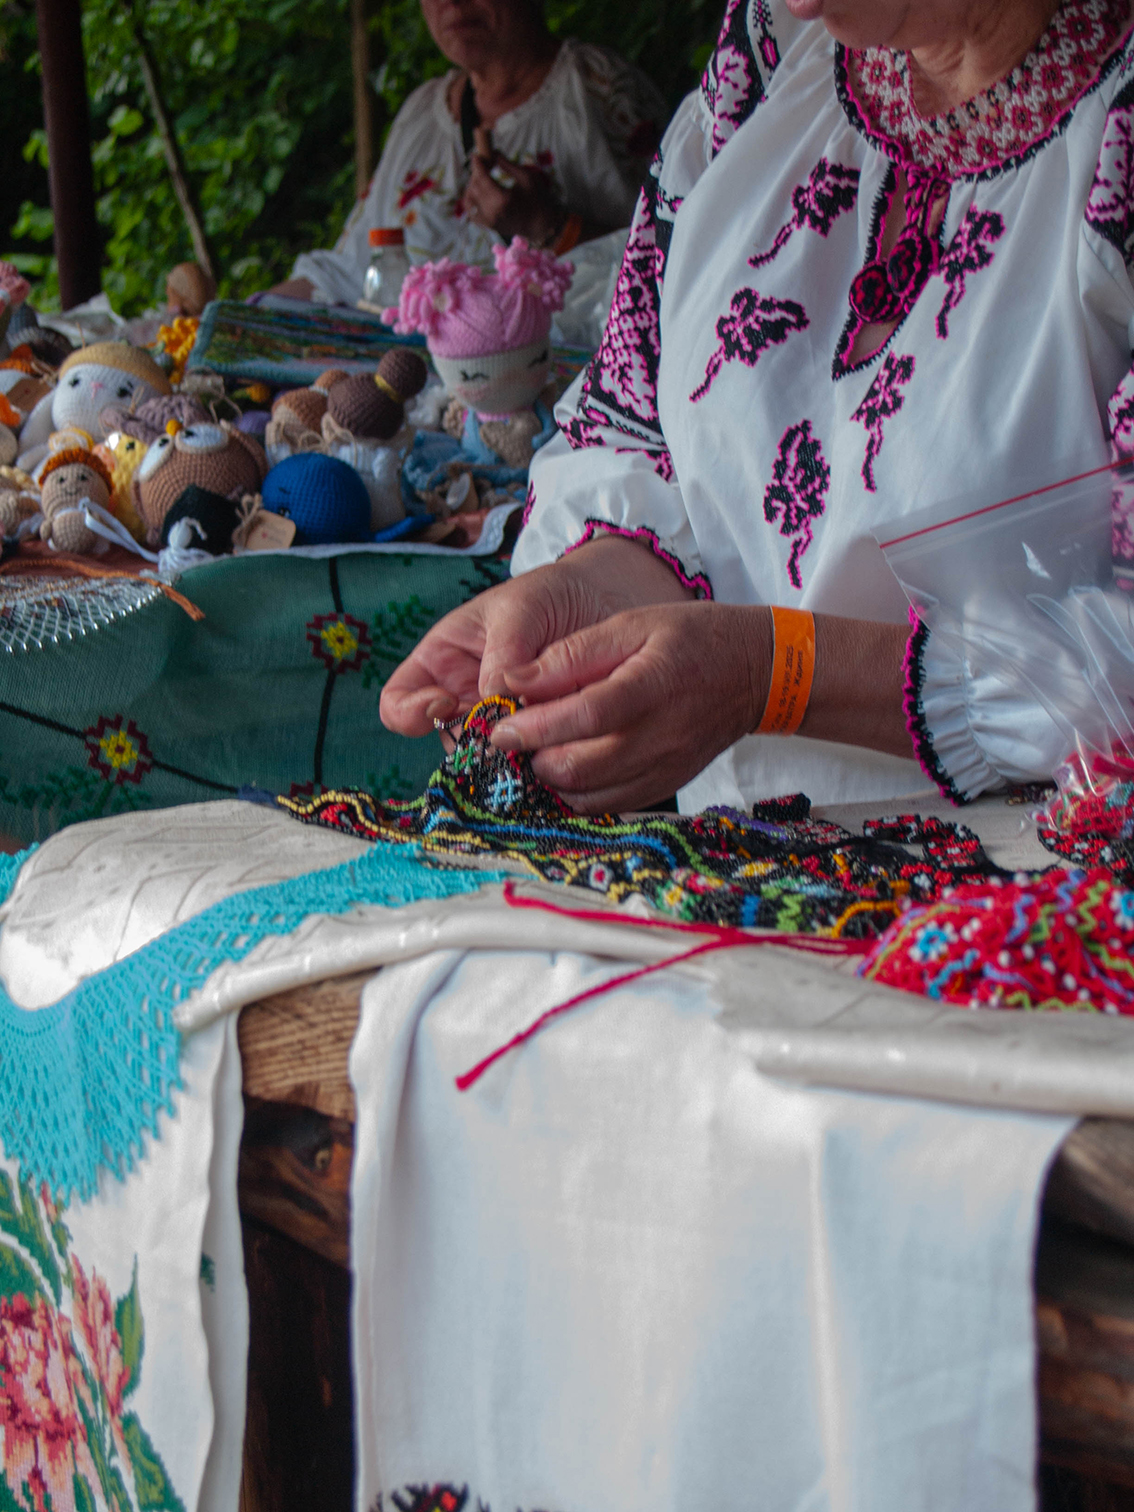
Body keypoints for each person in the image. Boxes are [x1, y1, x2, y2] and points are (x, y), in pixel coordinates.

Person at [380, 0, 1134, 815]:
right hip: (727, 855)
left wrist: (775, 674)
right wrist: (594, 583)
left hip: (1035, 872)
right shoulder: (771, 56)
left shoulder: (1114, 140)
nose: (801, 0)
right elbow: (637, 424)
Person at [279, 0, 666, 305]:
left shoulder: (599, 92)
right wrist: (254, 315)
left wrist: (548, 226)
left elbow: (672, 262)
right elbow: (350, 269)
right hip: (407, 377)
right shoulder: (422, 115)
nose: (452, 2)